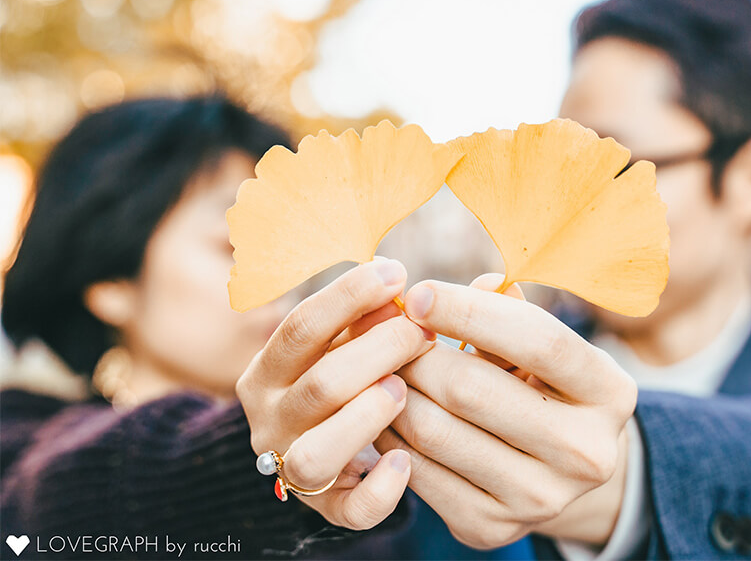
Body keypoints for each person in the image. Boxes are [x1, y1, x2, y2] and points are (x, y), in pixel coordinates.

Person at [374, 0, 751, 560]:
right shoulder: (476, 386)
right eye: (563, 167)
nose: (567, 205)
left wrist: (633, 477)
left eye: (612, 166)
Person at [0, 96, 432, 559]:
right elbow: (59, 498)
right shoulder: (20, 444)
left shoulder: (382, 471)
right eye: (235, 245)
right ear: (111, 281)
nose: (284, 277)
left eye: (289, 247)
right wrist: (269, 465)